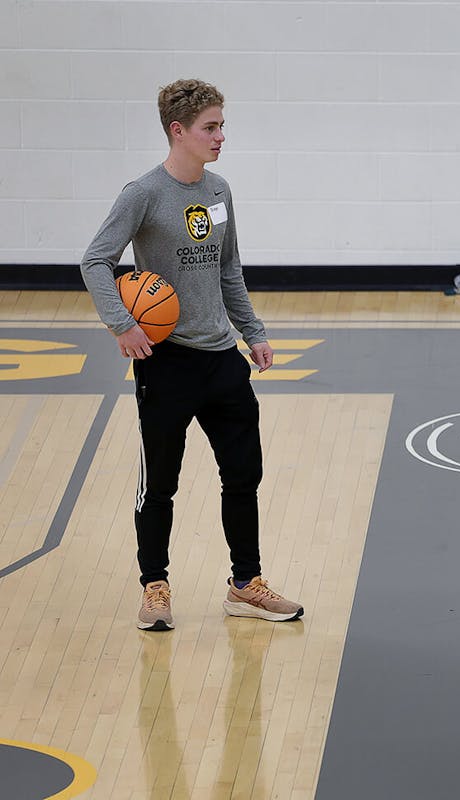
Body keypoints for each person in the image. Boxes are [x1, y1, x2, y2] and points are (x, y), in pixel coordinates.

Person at [80, 79, 302, 631]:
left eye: (222, 125)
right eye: (211, 127)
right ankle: (155, 587)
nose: (221, 136)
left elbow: (229, 269)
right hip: (168, 363)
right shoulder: (143, 194)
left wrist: (254, 333)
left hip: (222, 360)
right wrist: (122, 324)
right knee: (160, 484)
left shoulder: (220, 190)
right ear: (178, 131)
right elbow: (95, 260)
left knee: (243, 473)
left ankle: (245, 584)